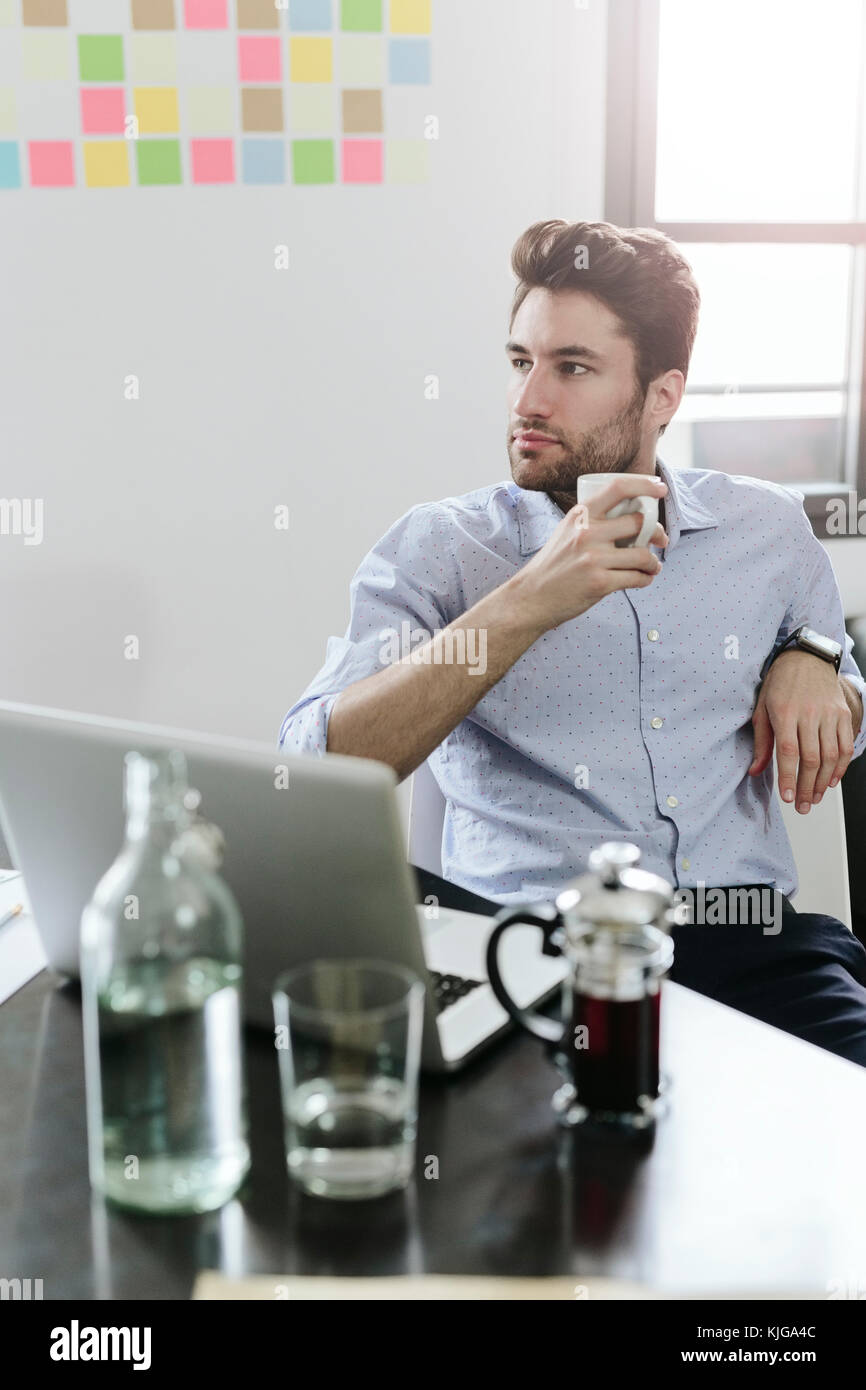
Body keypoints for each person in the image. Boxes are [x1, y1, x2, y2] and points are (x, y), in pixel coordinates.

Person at [280, 219, 866, 1066]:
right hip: (531, 955)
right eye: (521, 362)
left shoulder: (764, 530)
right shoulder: (441, 550)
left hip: (750, 948)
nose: (527, 402)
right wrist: (524, 604)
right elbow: (314, 770)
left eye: (572, 368)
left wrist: (818, 662)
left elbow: (845, 709)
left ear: (662, 397)